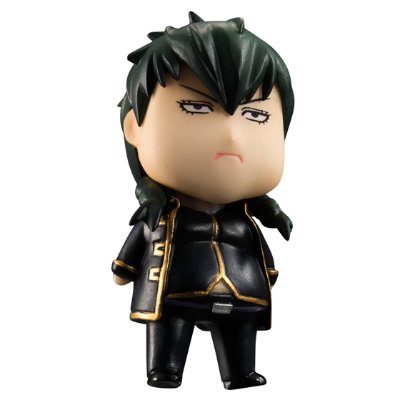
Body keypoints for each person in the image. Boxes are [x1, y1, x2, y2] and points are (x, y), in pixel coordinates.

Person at [112, 11, 295, 390]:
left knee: (240, 330)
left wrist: (269, 270)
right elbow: (137, 245)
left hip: (241, 292)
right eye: (195, 107)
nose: (231, 136)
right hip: (175, 293)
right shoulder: (160, 215)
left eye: (255, 114)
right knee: (170, 326)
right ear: (134, 128)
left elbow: (258, 251)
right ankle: (164, 367)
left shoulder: (245, 216)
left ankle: (239, 371)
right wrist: (124, 269)